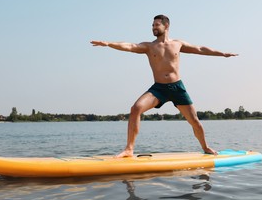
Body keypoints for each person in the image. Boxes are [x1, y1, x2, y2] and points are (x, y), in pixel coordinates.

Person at [91, 14, 238, 158]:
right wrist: (109, 43)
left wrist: (222, 53)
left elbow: (200, 49)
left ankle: (205, 147)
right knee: (136, 108)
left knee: (194, 121)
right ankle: (129, 149)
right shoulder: (149, 46)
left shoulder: (177, 44)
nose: (153, 28)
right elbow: (130, 46)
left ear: (166, 25)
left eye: (156, 25)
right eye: (152, 25)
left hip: (177, 88)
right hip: (159, 89)